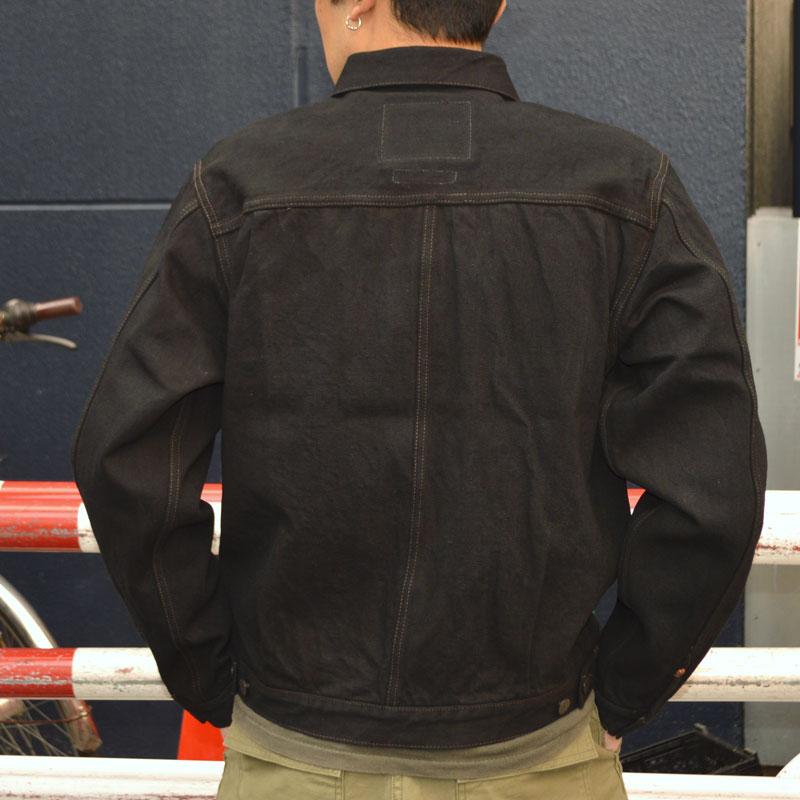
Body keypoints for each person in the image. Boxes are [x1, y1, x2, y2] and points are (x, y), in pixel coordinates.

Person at [72, 1, 767, 797]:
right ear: (496, 4)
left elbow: (124, 456)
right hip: (540, 754)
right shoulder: (628, 190)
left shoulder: (236, 187)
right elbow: (716, 488)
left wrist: (207, 672)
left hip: (296, 755)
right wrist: (625, 689)